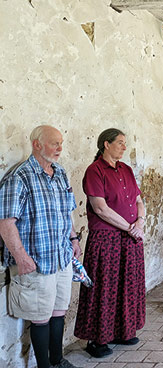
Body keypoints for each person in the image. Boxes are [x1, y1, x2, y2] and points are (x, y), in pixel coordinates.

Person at [0, 125, 80, 368]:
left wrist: (74, 239)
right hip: (36, 260)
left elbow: (67, 212)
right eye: (54, 143)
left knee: (58, 311)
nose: (59, 148)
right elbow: (5, 222)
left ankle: (57, 360)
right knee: (40, 318)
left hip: (61, 257)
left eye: (61, 143)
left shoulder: (60, 173)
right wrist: (21, 257)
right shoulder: (19, 177)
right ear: (37, 144)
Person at [74, 128, 146, 359]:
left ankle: (122, 331)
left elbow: (138, 200)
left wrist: (141, 222)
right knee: (104, 288)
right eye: (120, 143)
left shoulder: (126, 169)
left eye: (125, 143)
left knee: (127, 285)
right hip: (107, 239)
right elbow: (100, 208)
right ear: (106, 144)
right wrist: (129, 227)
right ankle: (97, 339)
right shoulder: (95, 171)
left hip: (130, 237)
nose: (125, 147)